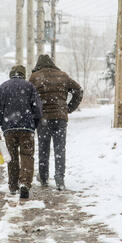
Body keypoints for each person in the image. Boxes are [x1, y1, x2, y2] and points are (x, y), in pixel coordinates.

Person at [29, 55, 83, 191]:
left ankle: (43, 177)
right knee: (60, 149)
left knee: (43, 148)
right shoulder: (62, 76)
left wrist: (34, 112)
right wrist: (69, 108)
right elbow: (78, 91)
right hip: (60, 118)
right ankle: (60, 179)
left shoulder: (35, 77)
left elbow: (29, 97)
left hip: (43, 119)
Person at [0, 65, 42, 199]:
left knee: (11, 157)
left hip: (9, 129)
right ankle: (24, 183)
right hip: (27, 128)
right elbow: (38, 109)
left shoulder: (3, 87)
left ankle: (13, 186)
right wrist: (34, 125)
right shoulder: (29, 86)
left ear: (11, 74)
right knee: (27, 155)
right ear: (23, 74)